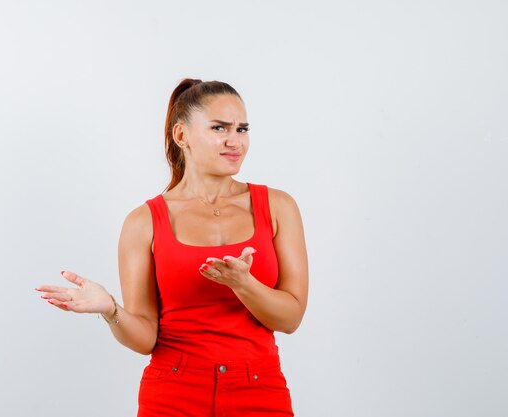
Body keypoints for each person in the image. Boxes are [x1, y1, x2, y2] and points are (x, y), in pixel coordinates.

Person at [35, 78, 309, 416]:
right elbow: (145, 338)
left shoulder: (279, 207)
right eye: (219, 128)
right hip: (173, 394)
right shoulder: (143, 222)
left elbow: (292, 317)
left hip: (259, 391)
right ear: (182, 136)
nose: (234, 141)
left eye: (242, 129)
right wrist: (111, 310)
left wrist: (243, 284)